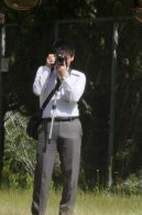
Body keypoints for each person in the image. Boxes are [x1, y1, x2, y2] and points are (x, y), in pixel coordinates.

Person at [31, 40, 86, 215]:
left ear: (72, 58)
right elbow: (36, 90)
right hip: (48, 125)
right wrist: (47, 69)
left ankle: (66, 212)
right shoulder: (44, 72)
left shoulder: (78, 76)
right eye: (59, 55)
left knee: (70, 174)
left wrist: (64, 77)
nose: (62, 60)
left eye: (65, 56)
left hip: (71, 125)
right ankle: (38, 212)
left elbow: (74, 97)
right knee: (42, 173)